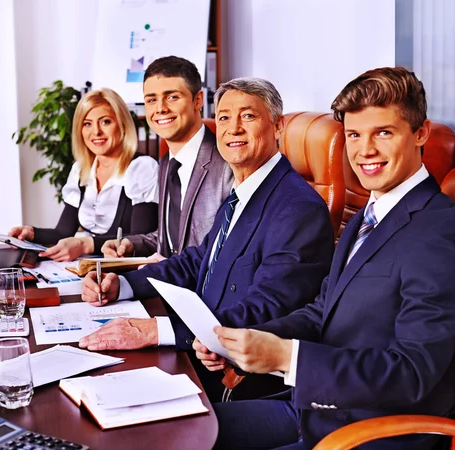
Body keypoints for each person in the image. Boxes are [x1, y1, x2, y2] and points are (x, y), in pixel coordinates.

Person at [199, 67, 455, 450]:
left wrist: (286, 357)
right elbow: (322, 311)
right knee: (172, 429)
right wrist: (250, 340)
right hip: (316, 410)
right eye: (354, 135)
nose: (364, 150)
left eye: (382, 132)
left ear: (420, 133)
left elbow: (412, 373)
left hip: (370, 434)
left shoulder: (443, 234)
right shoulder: (367, 218)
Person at [79, 77, 334, 401]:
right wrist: (124, 283)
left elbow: (267, 308)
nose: (232, 128)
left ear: (278, 125)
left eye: (248, 116)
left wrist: (159, 331)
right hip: (197, 352)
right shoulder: (243, 191)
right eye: (225, 117)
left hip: (234, 377)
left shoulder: (298, 208)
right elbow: (200, 259)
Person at [101, 56, 233, 260]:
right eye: (151, 99)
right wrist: (131, 244)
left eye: (172, 97)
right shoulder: (166, 164)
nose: (160, 108)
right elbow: (173, 241)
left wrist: (168, 270)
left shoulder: (227, 164)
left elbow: (227, 251)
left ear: (197, 100)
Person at [9, 88, 159, 262]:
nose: (96, 132)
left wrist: (85, 244)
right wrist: (32, 233)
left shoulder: (142, 167)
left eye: (105, 122)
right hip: (86, 266)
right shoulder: (81, 170)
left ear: (122, 125)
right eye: (87, 124)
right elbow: (63, 232)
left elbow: (139, 239)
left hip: (123, 271)